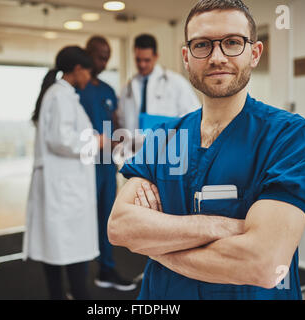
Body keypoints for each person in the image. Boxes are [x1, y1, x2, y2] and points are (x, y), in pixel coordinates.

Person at [108, 0, 305, 300]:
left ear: (255, 53)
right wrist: (220, 226)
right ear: (186, 57)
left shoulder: (289, 137)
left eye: (232, 43)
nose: (217, 57)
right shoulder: (163, 137)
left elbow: (265, 264)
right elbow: (120, 227)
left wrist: (157, 247)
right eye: (202, 45)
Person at [23, 46, 103, 300]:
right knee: (70, 249)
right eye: (88, 71)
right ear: (78, 69)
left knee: (57, 249)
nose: (89, 78)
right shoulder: (61, 96)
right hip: (64, 187)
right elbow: (61, 139)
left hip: (61, 184)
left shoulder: (59, 94)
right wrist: (96, 141)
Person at [76, 36, 136, 291]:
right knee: (80, 220)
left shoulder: (108, 91)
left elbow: (116, 124)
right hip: (81, 167)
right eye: (100, 55)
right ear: (87, 54)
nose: (104, 61)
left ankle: (107, 270)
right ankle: (77, 280)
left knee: (106, 218)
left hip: (105, 165)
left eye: (107, 56)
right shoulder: (74, 89)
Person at [117, 33, 201, 133]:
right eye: (138, 60)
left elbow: (194, 116)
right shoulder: (127, 88)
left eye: (147, 60)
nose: (142, 65)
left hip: (168, 144)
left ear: (156, 56)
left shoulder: (176, 83)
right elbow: (121, 120)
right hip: (134, 146)